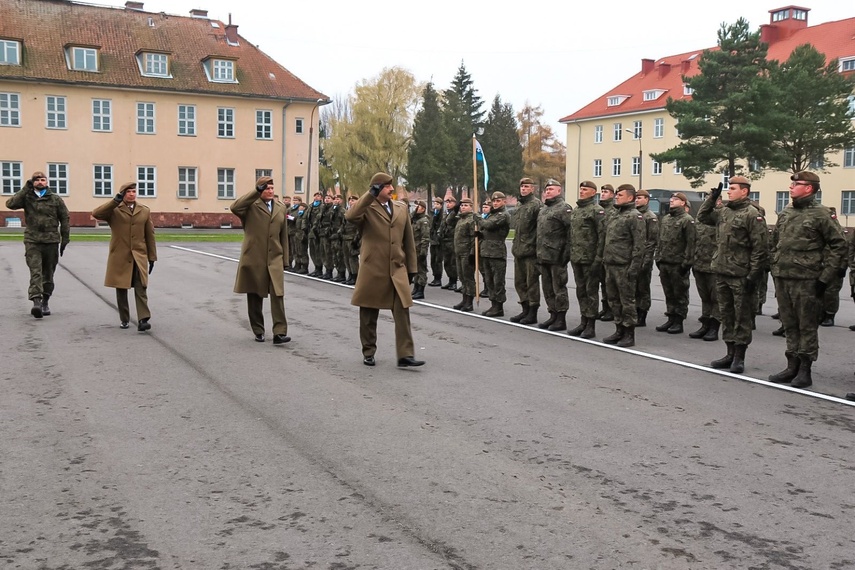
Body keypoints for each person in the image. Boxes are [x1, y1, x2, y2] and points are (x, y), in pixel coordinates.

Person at [767, 171, 846, 388]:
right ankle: (791, 365)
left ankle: (805, 370)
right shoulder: (786, 212)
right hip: (784, 278)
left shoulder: (821, 214)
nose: (791, 187)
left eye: (796, 184)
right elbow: (775, 243)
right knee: (789, 324)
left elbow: (839, 245)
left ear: (809, 188)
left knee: (807, 326)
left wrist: (825, 277)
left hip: (808, 280)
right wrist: (774, 266)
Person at [346, 173, 423, 368]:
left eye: (391, 185)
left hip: (397, 269)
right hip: (373, 268)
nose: (391, 189)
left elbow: (409, 240)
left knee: (402, 311)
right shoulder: (367, 208)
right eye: (387, 186)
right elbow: (351, 216)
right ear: (377, 189)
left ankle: (405, 354)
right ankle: (369, 351)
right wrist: (368, 195)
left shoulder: (401, 208)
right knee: (369, 313)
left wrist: (412, 268)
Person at [697, 176, 768, 373]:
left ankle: (739, 356)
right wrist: (712, 198)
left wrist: (753, 275)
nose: (729, 191)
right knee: (726, 315)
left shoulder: (752, 215)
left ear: (744, 191)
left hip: (741, 274)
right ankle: (729, 353)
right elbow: (702, 217)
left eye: (733, 188)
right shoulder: (724, 212)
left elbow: (760, 248)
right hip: (721, 271)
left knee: (742, 317)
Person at [230, 176, 290, 344]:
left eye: (272, 188)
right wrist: (255, 192)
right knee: (255, 295)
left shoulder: (280, 207)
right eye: (266, 188)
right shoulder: (250, 206)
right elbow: (234, 207)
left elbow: (283, 236)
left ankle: (279, 332)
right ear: (259, 190)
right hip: (254, 257)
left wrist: (285, 259)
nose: (270, 191)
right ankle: (258, 329)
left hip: (275, 258)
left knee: (278, 294)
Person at [91, 182, 157, 331]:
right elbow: (96, 214)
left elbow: (150, 235)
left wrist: (152, 257)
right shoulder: (114, 210)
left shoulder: (144, 211)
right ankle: (124, 318)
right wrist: (115, 201)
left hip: (139, 255)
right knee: (121, 289)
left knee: (141, 287)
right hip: (120, 255)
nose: (132, 194)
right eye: (128, 192)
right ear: (122, 194)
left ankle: (143, 319)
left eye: (134, 191)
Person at [5, 171, 70, 318]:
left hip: (51, 240)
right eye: (36, 180)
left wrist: (65, 238)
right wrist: (25, 189)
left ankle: (45, 301)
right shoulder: (27, 197)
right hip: (33, 240)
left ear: (47, 182)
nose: (40, 182)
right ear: (32, 182)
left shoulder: (55, 199)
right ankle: (36, 302)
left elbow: (65, 218)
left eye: (43, 179)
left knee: (48, 273)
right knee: (35, 271)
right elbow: (10, 204)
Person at [601, 184, 644, 347]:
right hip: (611, 264)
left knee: (627, 301)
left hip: (624, 265)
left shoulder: (635, 216)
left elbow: (639, 244)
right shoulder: (614, 215)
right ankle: (618, 329)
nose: (617, 196)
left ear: (630, 198)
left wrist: (634, 268)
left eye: (620, 194)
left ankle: (629, 333)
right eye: (617, 194)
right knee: (613, 300)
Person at [654, 192, 696, 335]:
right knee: (669, 293)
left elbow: (691, 243)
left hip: (678, 263)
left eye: (676, 199)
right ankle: (671, 318)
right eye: (671, 198)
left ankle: (678, 321)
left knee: (680, 293)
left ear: (683, 203)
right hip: (665, 261)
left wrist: (687, 263)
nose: (672, 200)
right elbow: (660, 240)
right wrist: (658, 257)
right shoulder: (666, 218)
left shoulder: (687, 220)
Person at [567, 180, 605, 338]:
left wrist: (598, 257)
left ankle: (591, 325)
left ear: (593, 192)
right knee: (581, 291)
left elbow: (602, 236)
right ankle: (583, 321)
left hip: (590, 258)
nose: (581, 191)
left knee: (591, 292)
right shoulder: (576, 210)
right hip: (577, 257)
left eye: (585, 189)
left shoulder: (597, 211)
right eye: (580, 189)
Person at [536, 179, 573, 332]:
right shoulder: (544, 209)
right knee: (547, 288)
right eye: (547, 189)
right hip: (543, 255)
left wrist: (565, 253)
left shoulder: (564, 208)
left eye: (551, 189)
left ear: (559, 191)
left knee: (559, 288)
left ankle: (561, 318)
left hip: (557, 255)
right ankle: (553, 314)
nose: (548, 191)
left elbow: (570, 232)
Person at [689, 197, 722, 341]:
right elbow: (702, 215)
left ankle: (714, 327)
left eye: (716, 200)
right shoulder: (701, 220)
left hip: (713, 266)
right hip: (699, 264)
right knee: (705, 298)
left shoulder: (720, 219)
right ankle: (705, 324)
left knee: (716, 299)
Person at [510, 177, 542, 324]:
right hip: (518, 250)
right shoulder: (518, 206)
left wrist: (535, 247)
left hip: (530, 251)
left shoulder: (536, 205)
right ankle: (525, 309)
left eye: (526, 186)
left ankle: (532, 312)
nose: (523, 189)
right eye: (522, 186)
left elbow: (539, 229)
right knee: (519, 282)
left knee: (532, 283)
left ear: (532, 189)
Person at [478, 191, 511, 317]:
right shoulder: (493, 214)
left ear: (504, 201)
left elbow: (489, 225)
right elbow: (487, 230)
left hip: (497, 252)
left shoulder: (503, 215)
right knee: (489, 279)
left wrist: (478, 218)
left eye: (498, 201)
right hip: (486, 251)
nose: (495, 203)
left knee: (498, 281)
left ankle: (499, 306)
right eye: (494, 201)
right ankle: (493, 304)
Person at [634, 189, 659, 327]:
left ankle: (642, 314)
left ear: (647, 200)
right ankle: (634, 311)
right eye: (636, 198)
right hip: (634, 257)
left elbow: (652, 241)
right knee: (633, 288)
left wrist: (647, 260)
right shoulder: (634, 215)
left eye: (640, 198)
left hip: (644, 257)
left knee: (642, 288)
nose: (637, 200)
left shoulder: (650, 217)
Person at [819, 207, 847, 327]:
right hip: (822, 265)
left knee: (831, 292)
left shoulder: (839, 231)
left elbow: (844, 249)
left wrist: (843, 266)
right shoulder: (822, 230)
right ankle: (821, 314)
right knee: (820, 292)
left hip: (835, 266)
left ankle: (830, 315)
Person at [596, 184, 618, 322]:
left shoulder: (613, 211)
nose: (603, 194)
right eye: (602, 191)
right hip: (598, 251)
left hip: (608, 251)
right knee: (602, 283)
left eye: (606, 192)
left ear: (612, 195)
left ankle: (611, 309)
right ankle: (605, 307)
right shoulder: (599, 209)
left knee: (609, 283)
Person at [452, 198, 477, 312]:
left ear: (471, 206)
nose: (463, 207)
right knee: (462, 277)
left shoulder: (471, 219)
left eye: (466, 205)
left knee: (468, 278)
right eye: (461, 205)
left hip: (467, 253)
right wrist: (454, 210)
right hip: (459, 252)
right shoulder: (460, 219)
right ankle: (464, 299)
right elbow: (448, 221)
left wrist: (472, 253)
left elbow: (474, 238)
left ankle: (469, 302)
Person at [438, 195, 460, 290]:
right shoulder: (446, 213)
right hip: (445, 240)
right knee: (446, 262)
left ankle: (454, 281)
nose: (448, 204)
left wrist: (456, 209)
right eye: (447, 202)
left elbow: (450, 221)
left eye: (450, 202)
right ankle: (450, 280)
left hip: (452, 240)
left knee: (453, 262)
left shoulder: (455, 213)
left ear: (454, 204)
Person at [411, 200, 431, 300]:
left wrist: (423, 251)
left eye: (417, 207)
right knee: (415, 269)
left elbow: (425, 237)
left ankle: (421, 290)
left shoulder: (424, 221)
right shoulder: (415, 219)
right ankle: (416, 287)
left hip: (419, 249)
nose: (415, 208)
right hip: (414, 248)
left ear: (422, 209)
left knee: (421, 270)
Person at [342, 195, 361, 285]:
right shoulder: (347, 211)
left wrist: (356, 239)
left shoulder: (359, 212)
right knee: (346, 258)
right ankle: (350, 274)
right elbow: (343, 225)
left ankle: (355, 276)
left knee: (353, 258)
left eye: (353, 200)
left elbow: (359, 227)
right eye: (350, 200)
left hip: (353, 238)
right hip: (345, 237)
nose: (351, 202)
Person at [305, 191, 324, 276]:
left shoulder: (322, 207)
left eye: (318, 196)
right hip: (310, 231)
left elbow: (320, 218)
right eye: (315, 196)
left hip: (317, 231)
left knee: (318, 250)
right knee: (312, 250)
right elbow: (306, 217)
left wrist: (315, 228)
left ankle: (319, 269)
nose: (317, 197)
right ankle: (316, 268)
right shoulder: (311, 206)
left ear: (321, 198)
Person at [329, 194, 347, 282]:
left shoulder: (342, 211)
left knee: (340, 256)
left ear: (341, 201)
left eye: (338, 199)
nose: (336, 201)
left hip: (339, 236)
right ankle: (338, 273)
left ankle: (342, 274)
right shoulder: (332, 210)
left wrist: (339, 233)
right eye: (335, 199)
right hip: (332, 235)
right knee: (334, 256)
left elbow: (344, 224)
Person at [428, 197, 444, 287]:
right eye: (435, 204)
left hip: (439, 241)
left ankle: (438, 278)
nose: (436, 206)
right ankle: (435, 277)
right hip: (432, 240)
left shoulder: (442, 216)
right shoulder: (433, 214)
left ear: (441, 206)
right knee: (433, 260)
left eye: (438, 204)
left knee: (438, 260)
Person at [293, 202, 310, 274]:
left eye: (302, 207)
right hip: (297, 234)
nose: (300, 207)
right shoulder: (299, 215)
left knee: (303, 251)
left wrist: (304, 235)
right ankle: (298, 264)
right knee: (297, 250)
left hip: (303, 234)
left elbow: (306, 226)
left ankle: (304, 267)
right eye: (300, 206)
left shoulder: (305, 215)